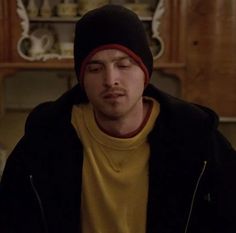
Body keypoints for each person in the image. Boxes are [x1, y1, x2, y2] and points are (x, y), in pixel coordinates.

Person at [0, 4, 236, 233]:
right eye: (95, 68)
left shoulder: (195, 137)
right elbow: (12, 219)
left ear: (145, 73)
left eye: (124, 65)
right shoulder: (46, 137)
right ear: (82, 79)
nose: (110, 79)